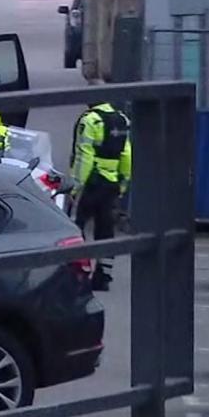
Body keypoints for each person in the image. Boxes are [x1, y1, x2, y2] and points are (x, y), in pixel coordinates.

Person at [71, 102, 132, 291]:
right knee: (106, 231)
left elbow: (84, 155)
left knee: (75, 227)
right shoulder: (122, 120)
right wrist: (123, 183)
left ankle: (77, 273)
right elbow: (126, 154)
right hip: (112, 184)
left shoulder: (90, 120)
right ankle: (104, 276)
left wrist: (76, 186)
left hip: (91, 183)